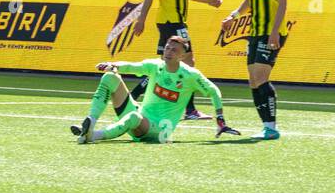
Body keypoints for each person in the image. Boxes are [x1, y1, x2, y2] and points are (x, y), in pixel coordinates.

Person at [127, 0, 224, 119]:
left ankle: (133, 96)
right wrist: (141, 19)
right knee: (186, 63)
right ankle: (189, 110)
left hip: (178, 22)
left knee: (166, 65)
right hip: (170, 22)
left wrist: (208, 0)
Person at [70, 35, 238, 144]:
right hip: (141, 116)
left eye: (174, 50)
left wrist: (220, 120)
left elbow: (214, 91)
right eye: (167, 48)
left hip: (159, 130)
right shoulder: (155, 66)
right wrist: (112, 65)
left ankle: (93, 136)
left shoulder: (190, 75)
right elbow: (131, 66)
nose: (169, 52)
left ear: (182, 56)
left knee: (133, 117)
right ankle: (90, 122)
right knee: (109, 77)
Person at [220, 0, 290, 140]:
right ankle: (266, 126)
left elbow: (283, 2)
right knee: (253, 80)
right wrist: (234, 15)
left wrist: (275, 33)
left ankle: (271, 127)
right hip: (255, 31)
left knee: (260, 77)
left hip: (271, 33)